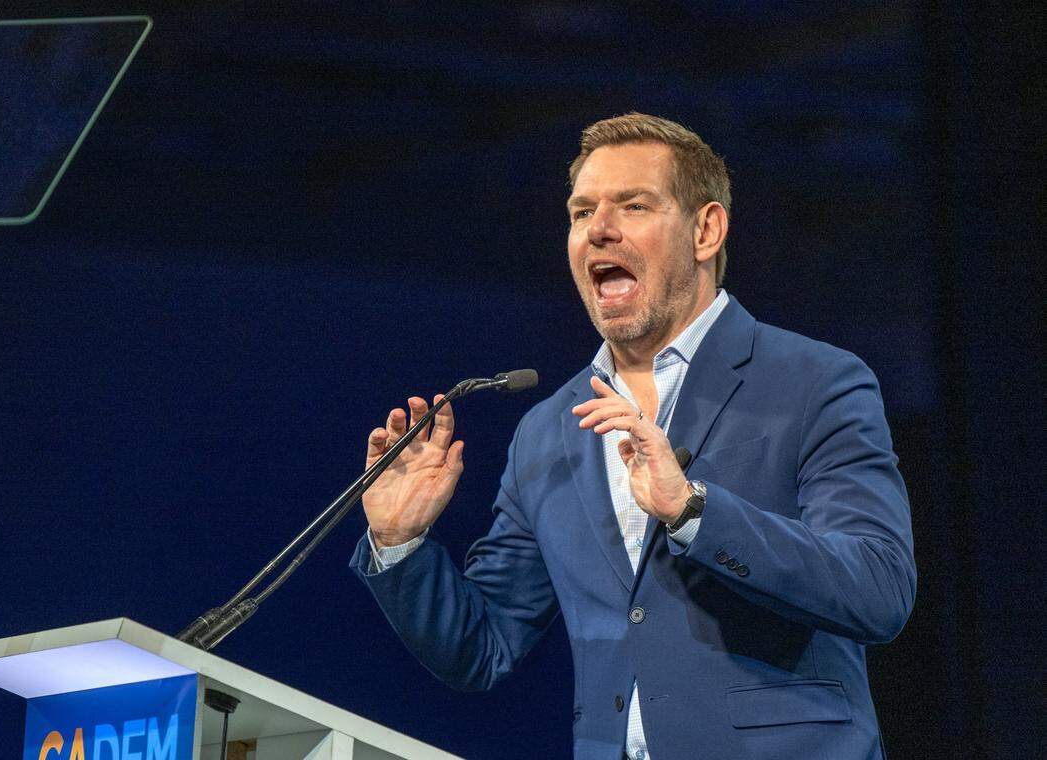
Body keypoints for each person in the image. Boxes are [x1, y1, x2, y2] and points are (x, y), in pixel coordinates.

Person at [350, 113, 916, 760]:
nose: (599, 229)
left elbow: (879, 589)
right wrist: (400, 545)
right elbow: (483, 647)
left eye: (634, 205)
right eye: (581, 211)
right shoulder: (548, 433)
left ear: (706, 230)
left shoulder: (815, 382)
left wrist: (694, 511)